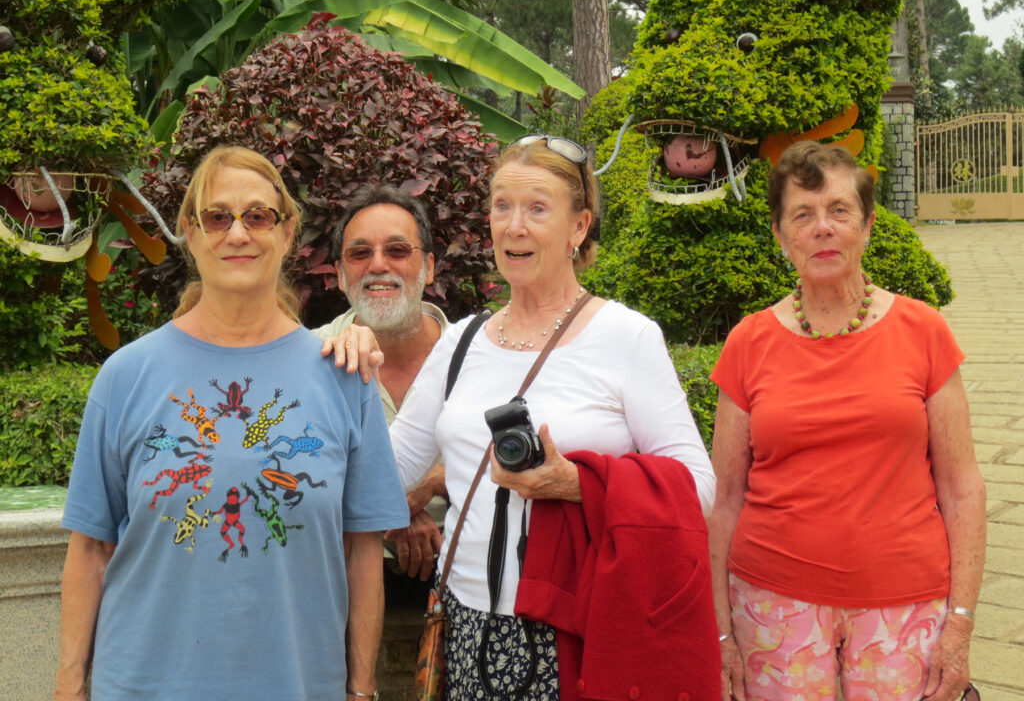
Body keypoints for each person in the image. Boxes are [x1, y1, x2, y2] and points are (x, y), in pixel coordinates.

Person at [54, 146, 409, 701]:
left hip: (298, 685)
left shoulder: (343, 376)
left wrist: (361, 689)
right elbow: (89, 548)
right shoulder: (126, 376)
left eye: (257, 216)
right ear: (190, 234)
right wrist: (69, 687)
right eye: (217, 217)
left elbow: (363, 550)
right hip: (143, 685)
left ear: (287, 231)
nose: (237, 234)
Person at [386, 134, 718, 700]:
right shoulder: (461, 341)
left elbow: (698, 487)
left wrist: (578, 483)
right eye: (501, 205)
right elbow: (385, 471)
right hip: (465, 628)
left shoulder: (626, 336)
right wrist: (331, 384)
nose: (514, 226)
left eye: (538, 209)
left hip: (575, 629)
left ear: (579, 228)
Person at [708, 141, 986, 701]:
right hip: (772, 603)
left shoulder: (923, 331)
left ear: (868, 224)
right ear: (780, 235)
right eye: (803, 215)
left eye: (839, 210)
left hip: (904, 601)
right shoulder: (749, 342)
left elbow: (962, 487)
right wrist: (719, 631)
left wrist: (959, 622)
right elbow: (724, 499)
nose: (822, 228)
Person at [313, 184, 448, 581]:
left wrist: (431, 484)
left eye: (397, 250)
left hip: (464, 580)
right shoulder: (312, 360)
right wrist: (396, 510)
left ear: (430, 267)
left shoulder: (476, 355)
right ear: (339, 274)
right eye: (359, 253)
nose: (378, 265)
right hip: (342, 577)